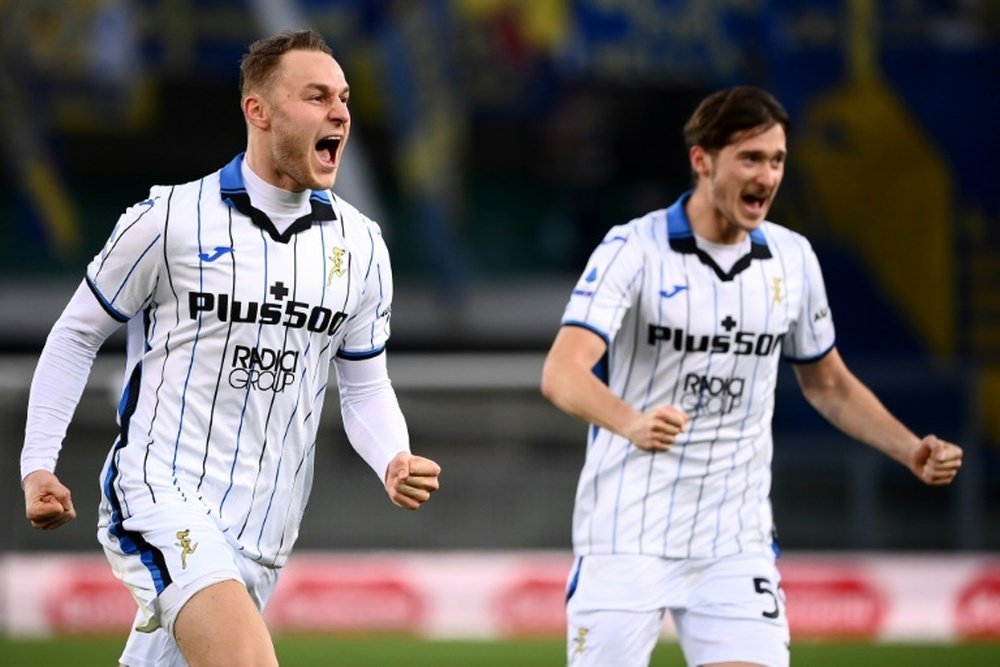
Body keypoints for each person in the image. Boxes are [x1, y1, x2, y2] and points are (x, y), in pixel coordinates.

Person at [20, 29, 441, 667]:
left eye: (345, 98)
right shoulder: (168, 220)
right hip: (160, 494)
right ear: (259, 110)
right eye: (317, 96)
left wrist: (393, 456)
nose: (341, 113)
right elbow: (77, 333)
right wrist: (37, 463)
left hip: (265, 529)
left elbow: (363, 383)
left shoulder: (362, 247)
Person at [539, 85, 963, 667]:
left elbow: (829, 383)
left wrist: (909, 446)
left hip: (733, 542)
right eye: (750, 158)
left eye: (777, 160)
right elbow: (562, 373)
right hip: (626, 533)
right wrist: (631, 422)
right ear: (702, 161)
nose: (767, 176)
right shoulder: (632, 250)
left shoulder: (793, 259)